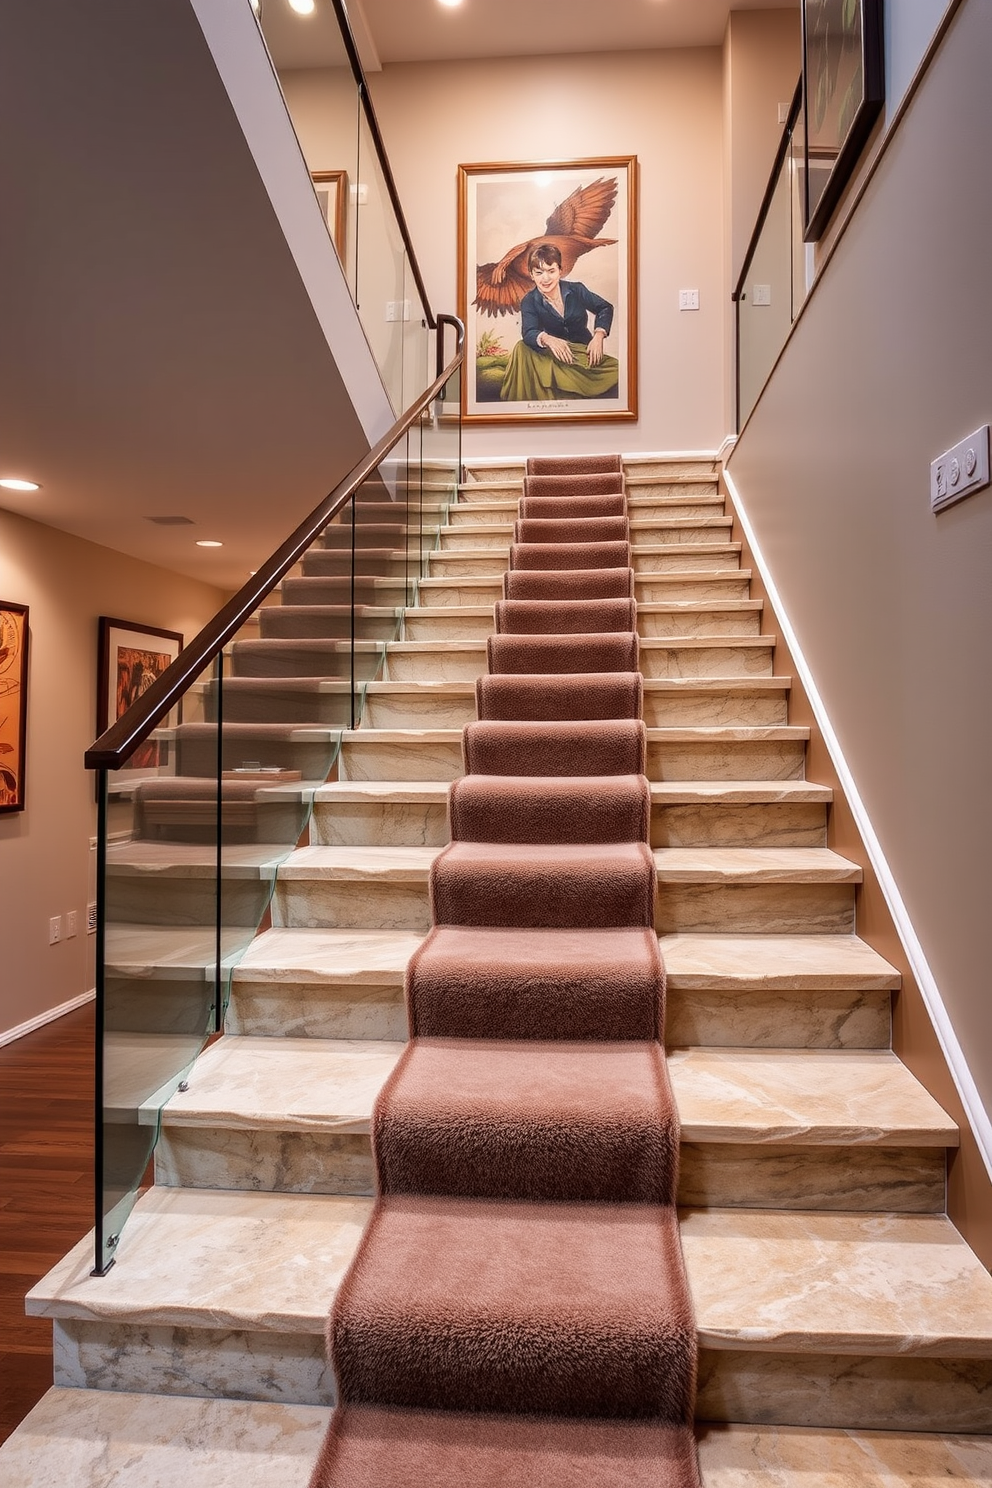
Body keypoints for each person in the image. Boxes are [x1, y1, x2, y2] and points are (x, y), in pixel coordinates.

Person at [499, 243, 620, 402]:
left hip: (583, 353)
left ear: (560, 271)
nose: (546, 278)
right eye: (539, 272)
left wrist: (598, 336)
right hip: (552, 356)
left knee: (619, 370)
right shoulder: (529, 301)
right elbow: (528, 332)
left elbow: (605, 307)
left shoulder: (576, 289)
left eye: (551, 271)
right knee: (521, 348)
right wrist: (548, 339)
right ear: (531, 275)